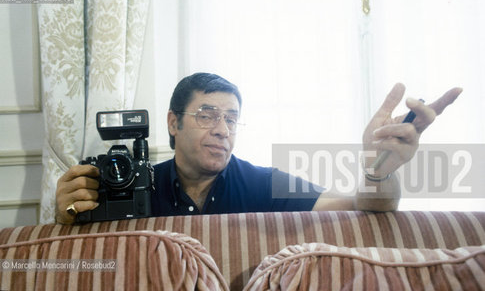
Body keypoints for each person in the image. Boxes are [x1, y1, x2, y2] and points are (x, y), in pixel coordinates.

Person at [55, 73, 462, 224]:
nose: (222, 130)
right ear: (173, 123)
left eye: (231, 119)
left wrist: (379, 170)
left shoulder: (263, 184)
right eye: (207, 115)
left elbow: (365, 206)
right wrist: (66, 216)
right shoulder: (132, 184)